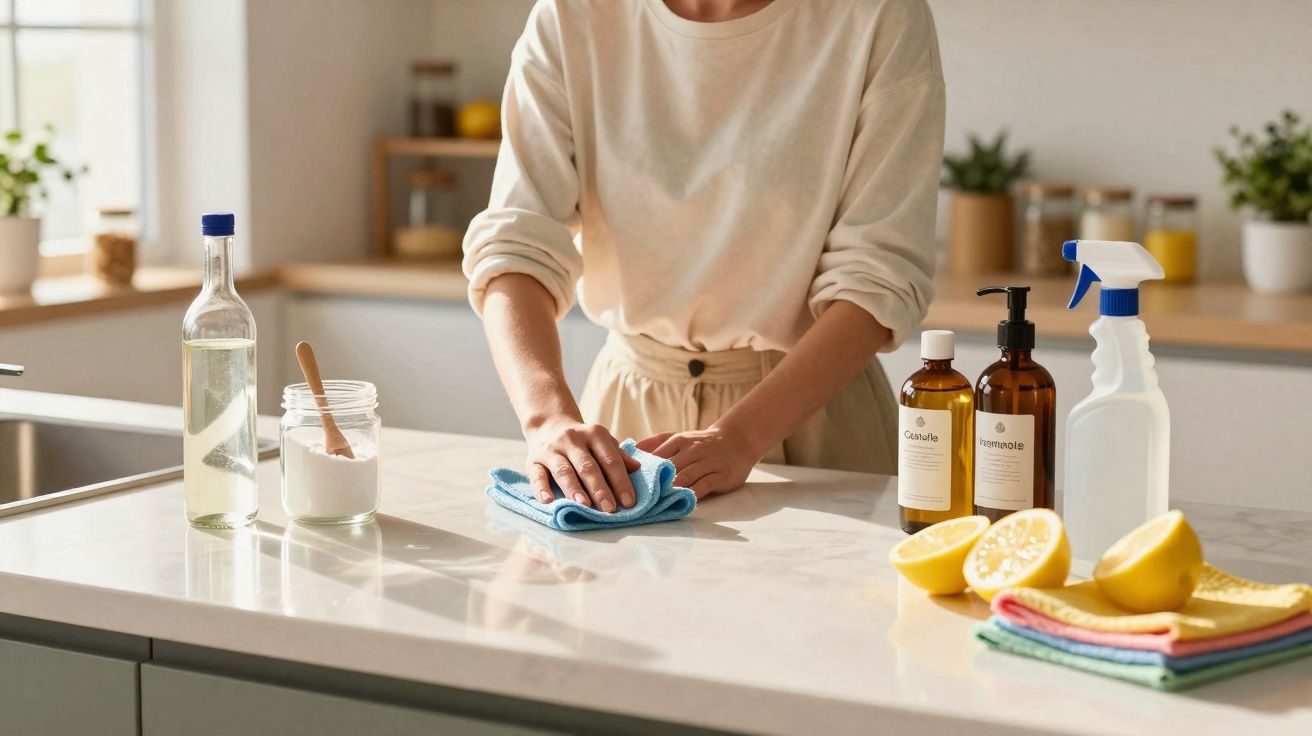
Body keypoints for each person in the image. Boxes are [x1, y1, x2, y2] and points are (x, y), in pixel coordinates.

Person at [463, 0, 945, 512]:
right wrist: (548, 420)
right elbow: (518, 246)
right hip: (626, 428)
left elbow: (878, 277)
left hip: (815, 418)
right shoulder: (571, 15)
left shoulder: (878, 15)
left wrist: (739, 438)